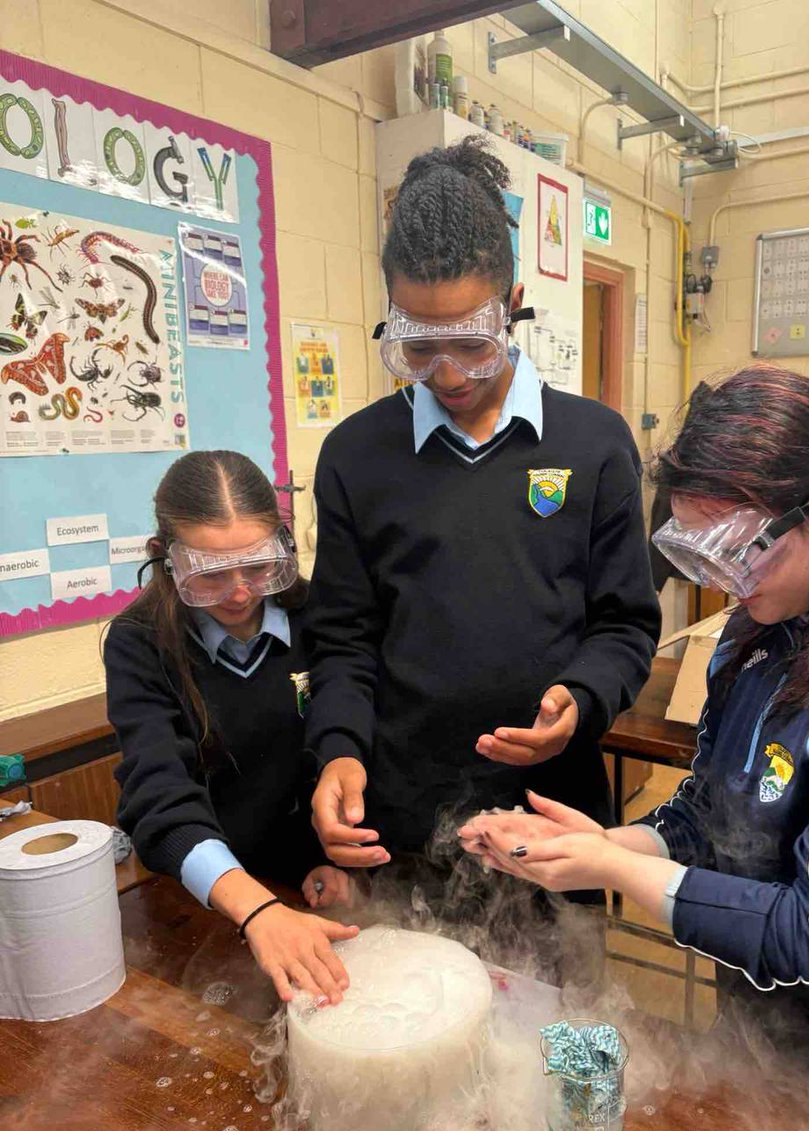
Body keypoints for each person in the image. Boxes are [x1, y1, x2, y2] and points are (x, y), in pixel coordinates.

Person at [459, 366, 809, 1081]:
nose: (727, 583)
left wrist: (617, 869)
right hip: (761, 1027)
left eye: (743, 550)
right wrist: (602, 842)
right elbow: (711, 815)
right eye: (705, 556)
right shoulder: (757, 631)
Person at [304, 135, 660, 872]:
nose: (447, 373)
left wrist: (582, 699)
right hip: (401, 812)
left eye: (471, 342)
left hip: (552, 815)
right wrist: (338, 747)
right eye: (417, 345)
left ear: (513, 308)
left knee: (564, 990)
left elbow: (625, 622)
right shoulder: (355, 456)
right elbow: (342, 636)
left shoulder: (594, 444)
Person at [105, 450, 357, 1006]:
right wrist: (257, 909)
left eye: (259, 566)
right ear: (166, 559)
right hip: (204, 894)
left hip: (289, 880)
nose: (240, 592)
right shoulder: (139, 642)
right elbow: (157, 796)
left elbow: (320, 758)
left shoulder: (315, 614)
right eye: (211, 575)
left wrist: (319, 859)